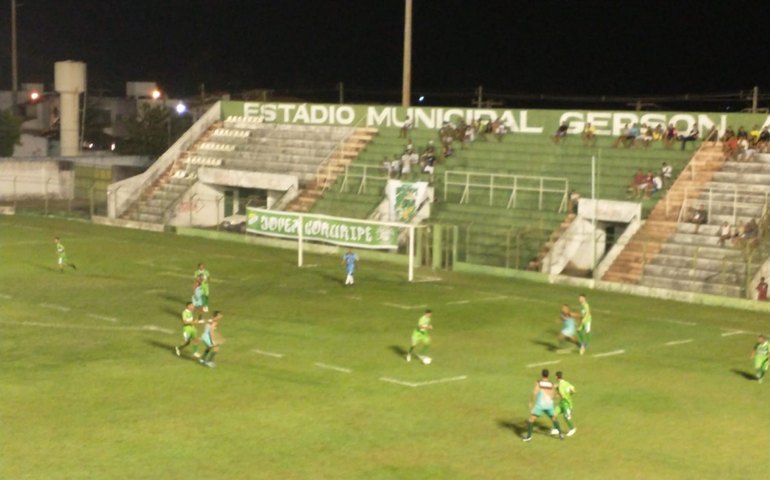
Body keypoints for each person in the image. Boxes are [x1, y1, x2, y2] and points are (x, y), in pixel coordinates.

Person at [521, 369, 564, 442]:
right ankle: (561, 434)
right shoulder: (551, 384)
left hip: (540, 405)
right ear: (548, 375)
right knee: (554, 418)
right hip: (549, 405)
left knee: (531, 420)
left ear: (542, 374)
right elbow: (553, 396)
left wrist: (531, 402)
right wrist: (558, 396)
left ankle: (529, 437)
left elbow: (535, 393)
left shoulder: (539, 383)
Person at [555, 371, 577, 437]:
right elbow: (574, 391)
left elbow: (562, 395)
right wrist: (569, 395)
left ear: (557, 377)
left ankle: (572, 429)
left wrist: (556, 395)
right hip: (562, 403)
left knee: (567, 417)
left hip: (566, 404)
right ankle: (555, 429)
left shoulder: (560, 385)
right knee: (554, 414)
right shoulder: (567, 383)